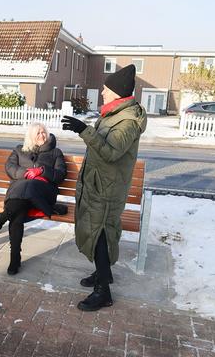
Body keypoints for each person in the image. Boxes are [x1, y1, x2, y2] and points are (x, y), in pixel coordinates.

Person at [61, 64, 147, 312]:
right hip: (98, 183)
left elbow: (111, 152)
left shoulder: (128, 120)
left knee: (100, 233)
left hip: (108, 188)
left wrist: (84, 130)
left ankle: (103, 293)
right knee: (95, 230)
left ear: (118, 92)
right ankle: (103, 274)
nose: (102, 92)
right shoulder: (112, 114)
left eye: (106, 89)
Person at [0, 122, 67, 275]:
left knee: (29, 186)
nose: (42, 135)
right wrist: (26, 173)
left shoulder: (55, 153)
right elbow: (10, 168)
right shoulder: (19, 150)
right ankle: (15, 258)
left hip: (43, 191)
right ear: (30, 137)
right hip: (20, 194)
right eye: (38, 133)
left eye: (43, 132)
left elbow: (60, 175)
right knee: (17, 213)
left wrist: (42, 170)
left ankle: (1, 219)